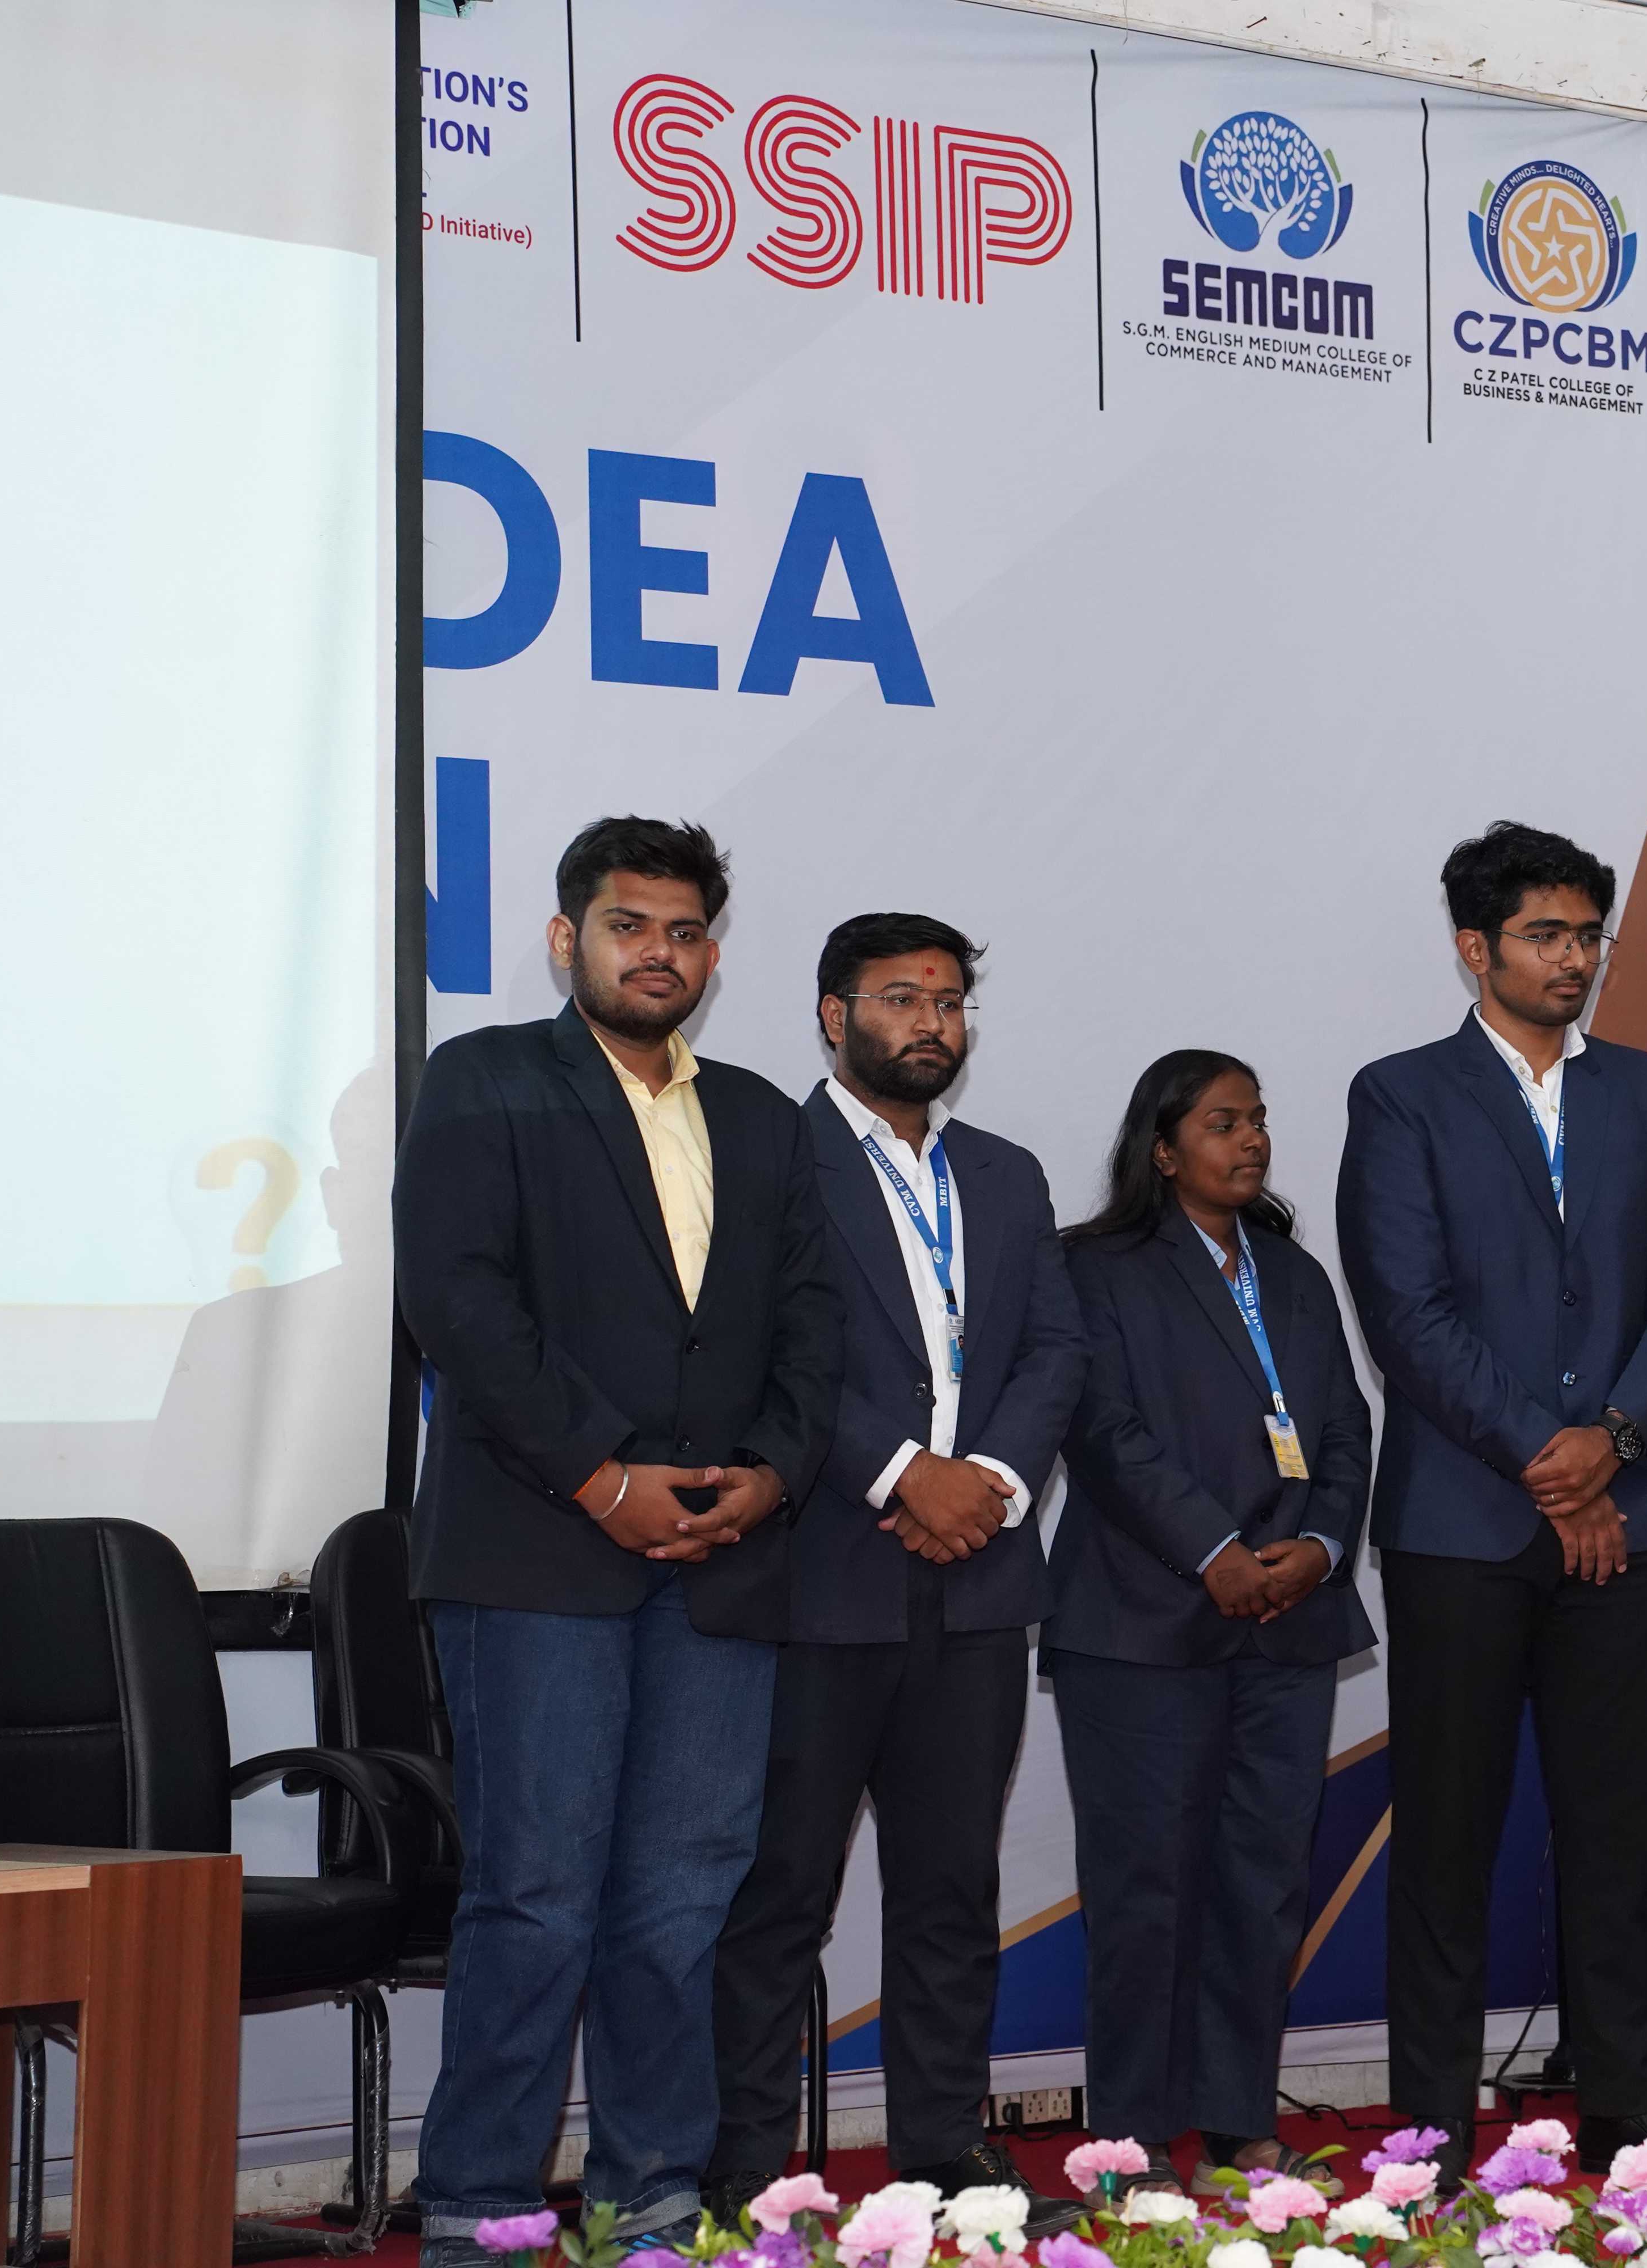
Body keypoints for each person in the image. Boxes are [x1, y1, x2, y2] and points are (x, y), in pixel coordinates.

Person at [395, 818, 839, 2266]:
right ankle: (480, 2202)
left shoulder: (762, 1114)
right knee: (536, 1895)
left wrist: (770, 1476)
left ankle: (649, 2191)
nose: (660, 952)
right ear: (564, 939)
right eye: (628, 924)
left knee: (683, 1898)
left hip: (725, 1560)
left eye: (685, 930)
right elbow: (459, 1302)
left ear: (714, 952)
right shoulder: (486, 1079)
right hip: (539, 1551)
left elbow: (815, 1322)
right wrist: (601, 1476)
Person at [1335, 820, 1647, 2178]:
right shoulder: (1402, 1095)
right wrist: (1550, 1463)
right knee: (1447, 1837)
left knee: (1620, 1833)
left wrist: (1610, 1442)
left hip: (1633, 1514)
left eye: (1586, 935)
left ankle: (1624, 2104)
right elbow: (1407, 1309)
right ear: (1474, 946)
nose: (1574, 958)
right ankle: (1433, 2127)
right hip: (1465, 1523)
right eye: (1545, 934)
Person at [705, 913, 1087, 2227]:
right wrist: (901, 1471)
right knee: (779, 1894)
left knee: (951, 1889)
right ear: (833, 1015)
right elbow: (762, 1347)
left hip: (977, 1581)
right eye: (900, 997)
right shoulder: (770, 1154)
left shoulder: (1007, 1172)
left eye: (949, 1000)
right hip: (824, 1574)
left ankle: (945, 2150)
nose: (931, 1021)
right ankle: (748, 2167)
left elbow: (1055, 1350)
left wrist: (991, 1483)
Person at [1049, 1051, 1375, 2177]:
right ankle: (1132, 2141)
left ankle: (1238, 2124)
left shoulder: (1293, 1271)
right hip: (1143, 1624)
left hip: (1288, 1619)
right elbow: (1103, 1431)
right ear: (1162, 1148)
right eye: (1224, 1122)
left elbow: (1344, 1431)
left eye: (1259, 1120)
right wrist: (1215, 1552)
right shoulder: (1095, 1268)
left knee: (1261, 1883)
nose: (1252, 1140)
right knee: (1145, 1892)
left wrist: (1318, 1549)